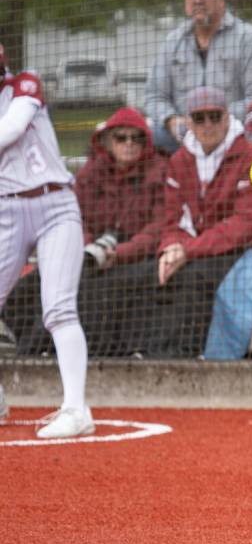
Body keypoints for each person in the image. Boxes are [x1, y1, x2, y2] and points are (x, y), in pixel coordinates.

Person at [111, 87, 252, 358]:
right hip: (202, 251)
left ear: (227, 117)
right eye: (199, 118)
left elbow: (246, 225)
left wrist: (187, 251)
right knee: (155, 273)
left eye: (214, 116)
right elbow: (172, 220)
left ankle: (188, 356)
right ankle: (148, 354)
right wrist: (171, 249)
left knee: (193, 277)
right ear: (188, 122)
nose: (207, 125)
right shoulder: (181, 160)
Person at [3, 107, 168, 357]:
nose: (129, 144)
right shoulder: (91, 172)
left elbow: (159, 226)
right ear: (108, 141)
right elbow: (73, 215)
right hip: (87, 253)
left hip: (135, 257)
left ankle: (34, 353)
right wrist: (85, 247)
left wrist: (120, 252)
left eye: (137, 138)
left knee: (87, 292)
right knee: (25, 288)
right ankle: (35, 347)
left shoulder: (159, 172)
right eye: (121, 137)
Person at [0, 42, 94, 438]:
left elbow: (13, 128)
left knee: (58, 308)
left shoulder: (26, 82)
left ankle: (76, 409)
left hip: (56, 204)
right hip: (6, 210)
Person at [144, 0, 252, 154]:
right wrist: (171, 120)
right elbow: (154, 96)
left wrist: (212, 119)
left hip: (233, 129)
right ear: (185, 1)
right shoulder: (172, 41)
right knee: (141, 135)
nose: (198, 1)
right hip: (182, 133)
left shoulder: (247, 38)